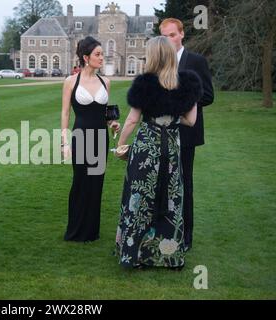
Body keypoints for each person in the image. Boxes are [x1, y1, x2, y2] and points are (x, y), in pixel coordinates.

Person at [115, 36, 202, 269]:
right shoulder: (189, 83)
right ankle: (168, 256)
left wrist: (121, 145)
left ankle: (135, 254)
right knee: (171, 198)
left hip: (147, 148)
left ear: (153, 56)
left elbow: (133, 119)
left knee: (140, 198)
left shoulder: (144, 83)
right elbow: (191, 121)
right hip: (171, 149)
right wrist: (171, 118)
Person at [160, 18, 214, 252]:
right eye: (165, 36)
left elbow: (208, 96)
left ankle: (185, 236)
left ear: (182, 34)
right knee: (162, 184)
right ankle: (163, 231)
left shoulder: (196, 61)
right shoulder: (159, 62)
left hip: (186, 133)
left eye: (173, 35)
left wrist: (180, 102)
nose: (169, 40)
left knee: (183, 184)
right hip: (161, 133)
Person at [61, 36, 120, 242]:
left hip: (100, 138)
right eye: (98, 54)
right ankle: (76, 230)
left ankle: (91, 231)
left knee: (96, 183)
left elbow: (104, 112)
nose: (102, 57)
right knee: (80, 183)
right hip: (80, 137)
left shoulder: (106, 82)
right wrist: (65, 142)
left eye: (102, 54)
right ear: (86, 57)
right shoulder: (71, 81)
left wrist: (112, 123)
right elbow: (65, 113)